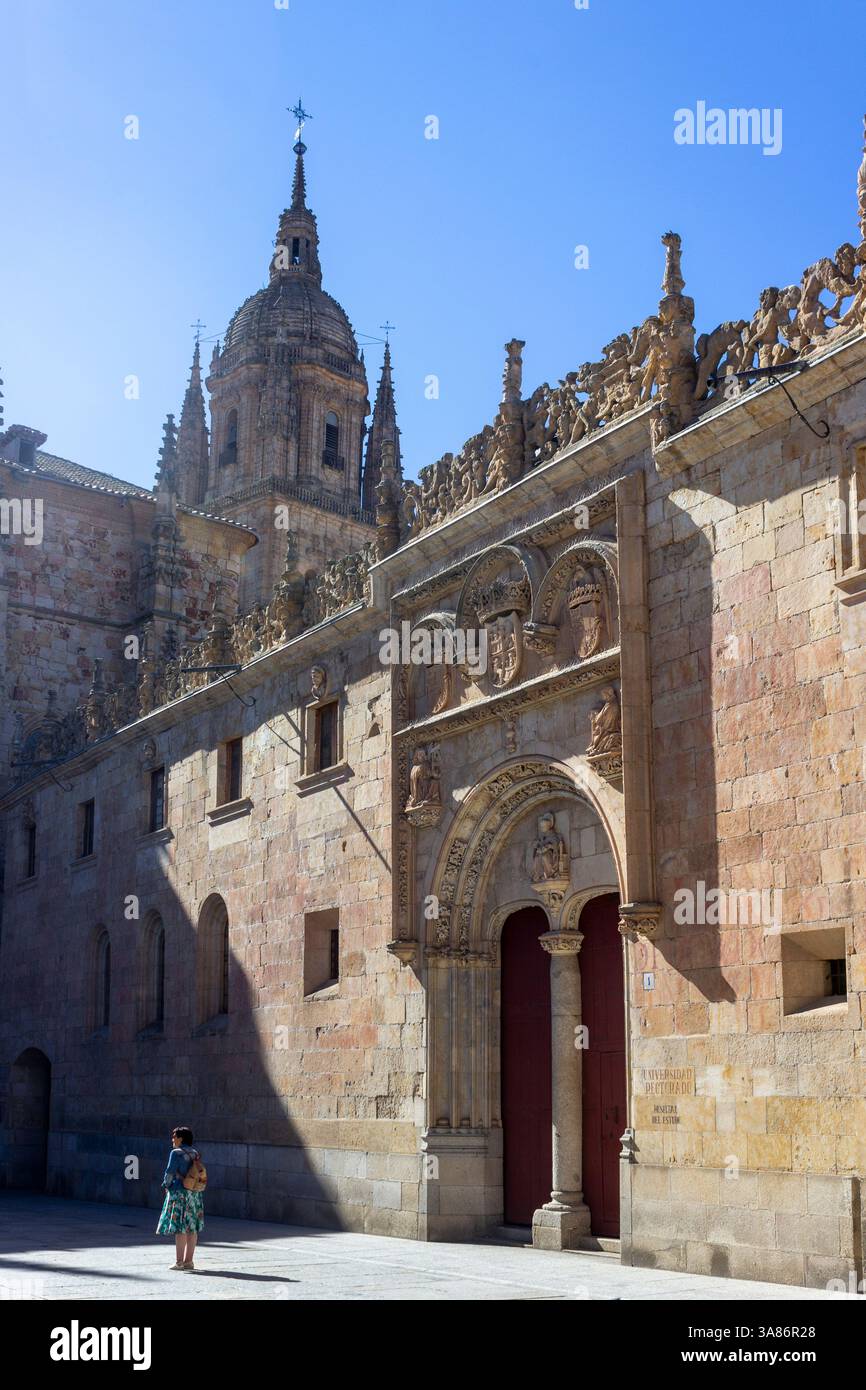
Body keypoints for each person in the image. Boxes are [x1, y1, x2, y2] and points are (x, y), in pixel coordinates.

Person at [156, 1126, 204, 1271]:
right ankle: (189, 1261)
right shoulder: (194, 1152)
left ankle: (179, 1262)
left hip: (179, 1192)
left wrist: (166, 1185)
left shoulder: (175, 1153)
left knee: (180, 1228)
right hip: (194, 1193)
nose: (172, 1139)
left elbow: (170, 1172)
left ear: (180, 1138)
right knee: (192, 1227)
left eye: (174, 1136)